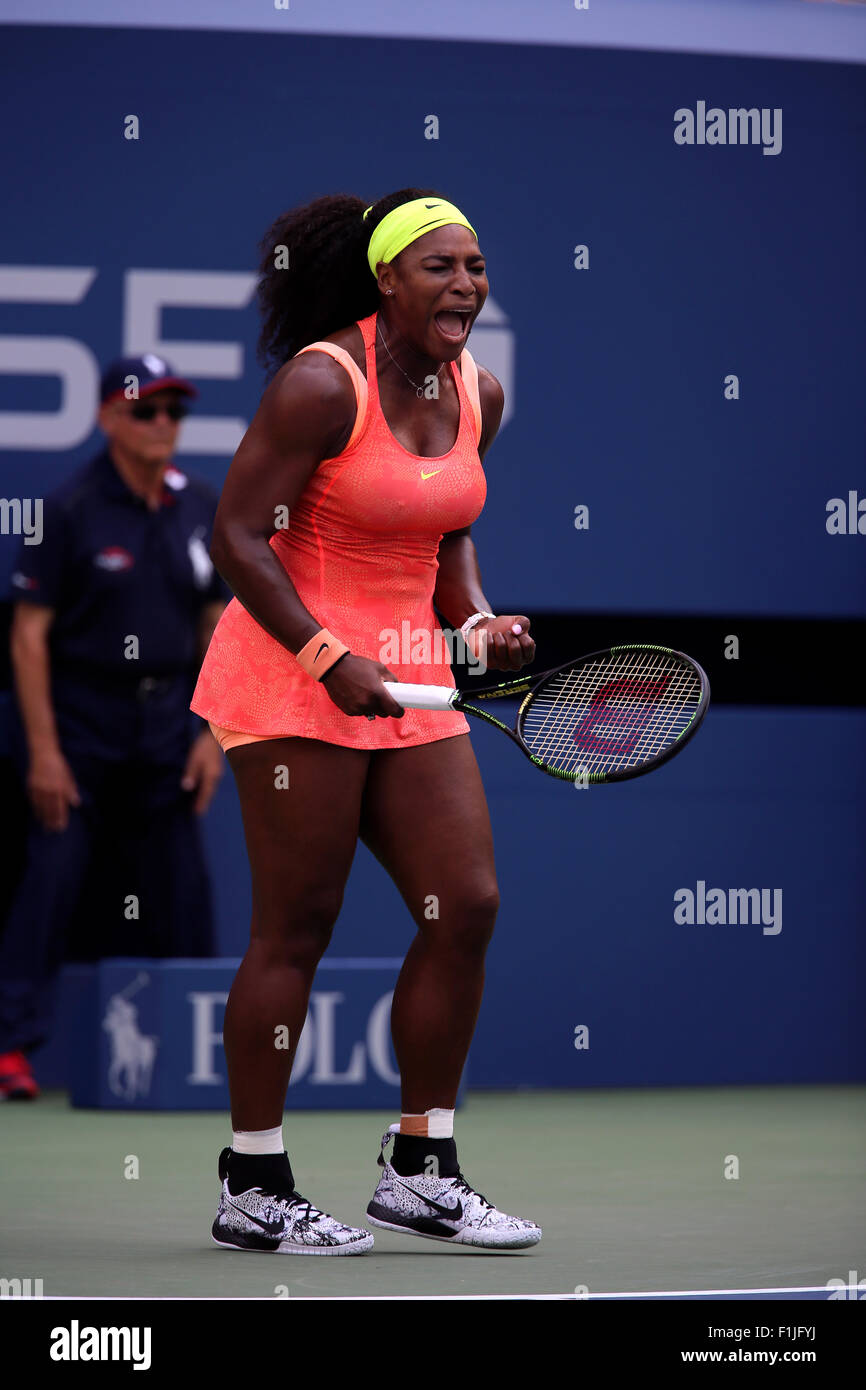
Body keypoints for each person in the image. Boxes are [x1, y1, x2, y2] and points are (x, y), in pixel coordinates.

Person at [192, 188, 541, 1254]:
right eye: (439, 266)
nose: (465, 285)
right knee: (295, 928)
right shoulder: (317, 383)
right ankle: (253, 1179)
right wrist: (322, 652)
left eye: (475, 267)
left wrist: (475, 622)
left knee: (466, 905)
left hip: (408, 681)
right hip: (291, 670)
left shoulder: (476, 390)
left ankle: (419, 1165)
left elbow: (445, 536)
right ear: (385, 279)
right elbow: (238, 534)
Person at [0, 356, 229, 1101]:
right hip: (79, 722)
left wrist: (211, 733)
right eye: (146, 411)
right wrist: (43, 753)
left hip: (168, 723)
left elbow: (216, 626)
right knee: (51, 878)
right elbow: (28, 636)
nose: (163, 425)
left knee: (185, 890)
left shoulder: (200, 504)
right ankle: (12, 1051)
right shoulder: (69, 509)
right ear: (107, 418)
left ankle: (209, 1050)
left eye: (174, 412)